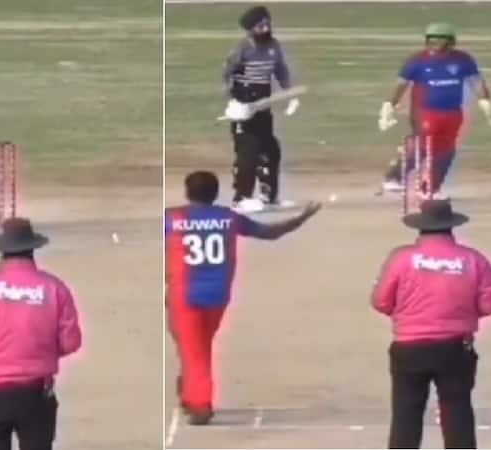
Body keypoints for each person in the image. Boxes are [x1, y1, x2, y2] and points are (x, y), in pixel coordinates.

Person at [165, 170, 321, 425]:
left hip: (185, 295)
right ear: (215, 194)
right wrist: (302, 217)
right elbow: (271, 233)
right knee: (198, 346)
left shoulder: (173, 218)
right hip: (218, 295)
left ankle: (200, 404)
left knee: (193, 350)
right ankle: (189, 392)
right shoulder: (228, 218)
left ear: (187, 192)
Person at [371, 199, 491, 448]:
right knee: (457, 411)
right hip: (455, 348)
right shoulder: (473, 259)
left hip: (409, 347)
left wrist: (408, 315)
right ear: (451, 226)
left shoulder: (400, 259)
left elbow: (381, 301)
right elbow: (490, 305)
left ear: (420, 227)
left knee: (406, 415)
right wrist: (463, 313)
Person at [0, 218, 82, 450]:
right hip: (36, 393)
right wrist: (44, 352)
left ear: (2, 250)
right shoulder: (54, 287)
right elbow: (71, 342)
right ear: (32, 249)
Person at [377, 23, 491, 198]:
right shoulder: (417, 61)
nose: (435, 46)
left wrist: (485, 102)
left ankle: (430, 188)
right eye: (432, 41)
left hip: (453, 113)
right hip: (425, 112)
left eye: (440, 42)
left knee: (446, 151)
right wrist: (389, 106)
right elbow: (401, 85)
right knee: (423, 146)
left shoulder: (463, 60)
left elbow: (476, 82)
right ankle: (394, 178)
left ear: (451, 43)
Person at [222, 5, 300, 213]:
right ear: (250, 30)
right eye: (260, 26)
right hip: (243, 102)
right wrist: (234, 102)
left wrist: (290, 95)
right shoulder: (242, 49)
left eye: (267, 24)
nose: (265, 29)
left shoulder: (274, 45)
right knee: (248, 152)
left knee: (271, 151)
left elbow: (280, 71)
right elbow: (228, 76)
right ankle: (241, 198)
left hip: (263, 104)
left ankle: (269, 197)